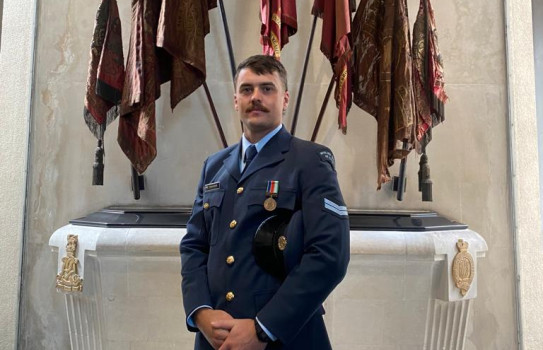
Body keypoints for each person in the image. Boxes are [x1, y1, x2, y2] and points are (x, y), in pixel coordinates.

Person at [180, 55, 350, 350]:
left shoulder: (310, 161)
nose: (255, 97)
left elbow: (329, 256)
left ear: (285, 99)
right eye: (246, 90)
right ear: (235, 101)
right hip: (216, 338)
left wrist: (263, 329)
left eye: (266, 88)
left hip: (285, 336)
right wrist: (200, 312)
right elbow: (194, 245)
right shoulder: (214, 166)